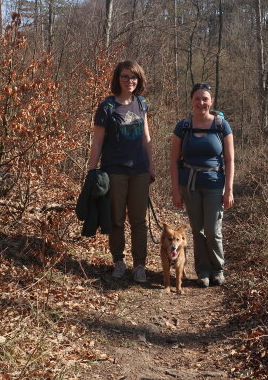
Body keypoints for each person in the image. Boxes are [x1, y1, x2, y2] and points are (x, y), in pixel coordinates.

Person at [87, 60, 155, 283]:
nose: (130, 81)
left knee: (139, 220)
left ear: (139, 79)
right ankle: (118, 261)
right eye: (125, 76)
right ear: (118, 78)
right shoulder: (107, 107)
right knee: (116, 219)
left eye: (134, 77)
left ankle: (139, 266)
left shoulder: (142, 104)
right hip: (113, 171)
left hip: (139, 171)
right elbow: (97, 141)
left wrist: (151, 166)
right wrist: (91, 171)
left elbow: (146, 138)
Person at [170, 83, 234, 287]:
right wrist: (176, 191)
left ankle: (217, 268)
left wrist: (229, 190)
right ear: (191, 101)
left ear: (211, 101)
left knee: (212, 230)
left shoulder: (221, 125)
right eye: (197, 99)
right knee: (197, 231)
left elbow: (230, 160)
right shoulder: (183, 126)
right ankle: (203, 271)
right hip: (190, 185)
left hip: (215, 184)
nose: (201, 103)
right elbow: (173, 161)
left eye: (205, 99)